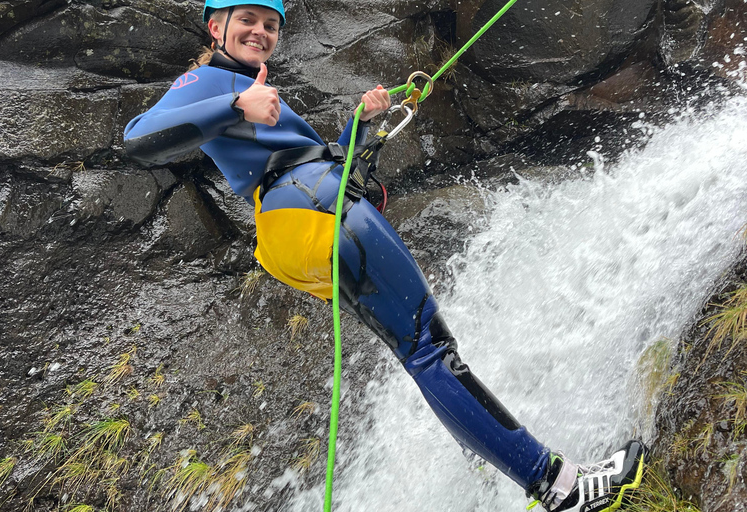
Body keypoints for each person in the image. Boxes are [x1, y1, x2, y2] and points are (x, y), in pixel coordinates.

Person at [123, 1, 647, 510]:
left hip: (296, 222)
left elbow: (308, 156)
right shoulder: (210, 83)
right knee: (428, 349)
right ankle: (559, 487)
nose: (260, 32)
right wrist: (235, 104)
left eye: (270, 25)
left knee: (418, 352)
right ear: (216, 27)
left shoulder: (247, 86)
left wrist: (361, 125)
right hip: (312, 207)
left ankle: (490, 467)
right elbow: (138, 140)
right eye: (246, 21)